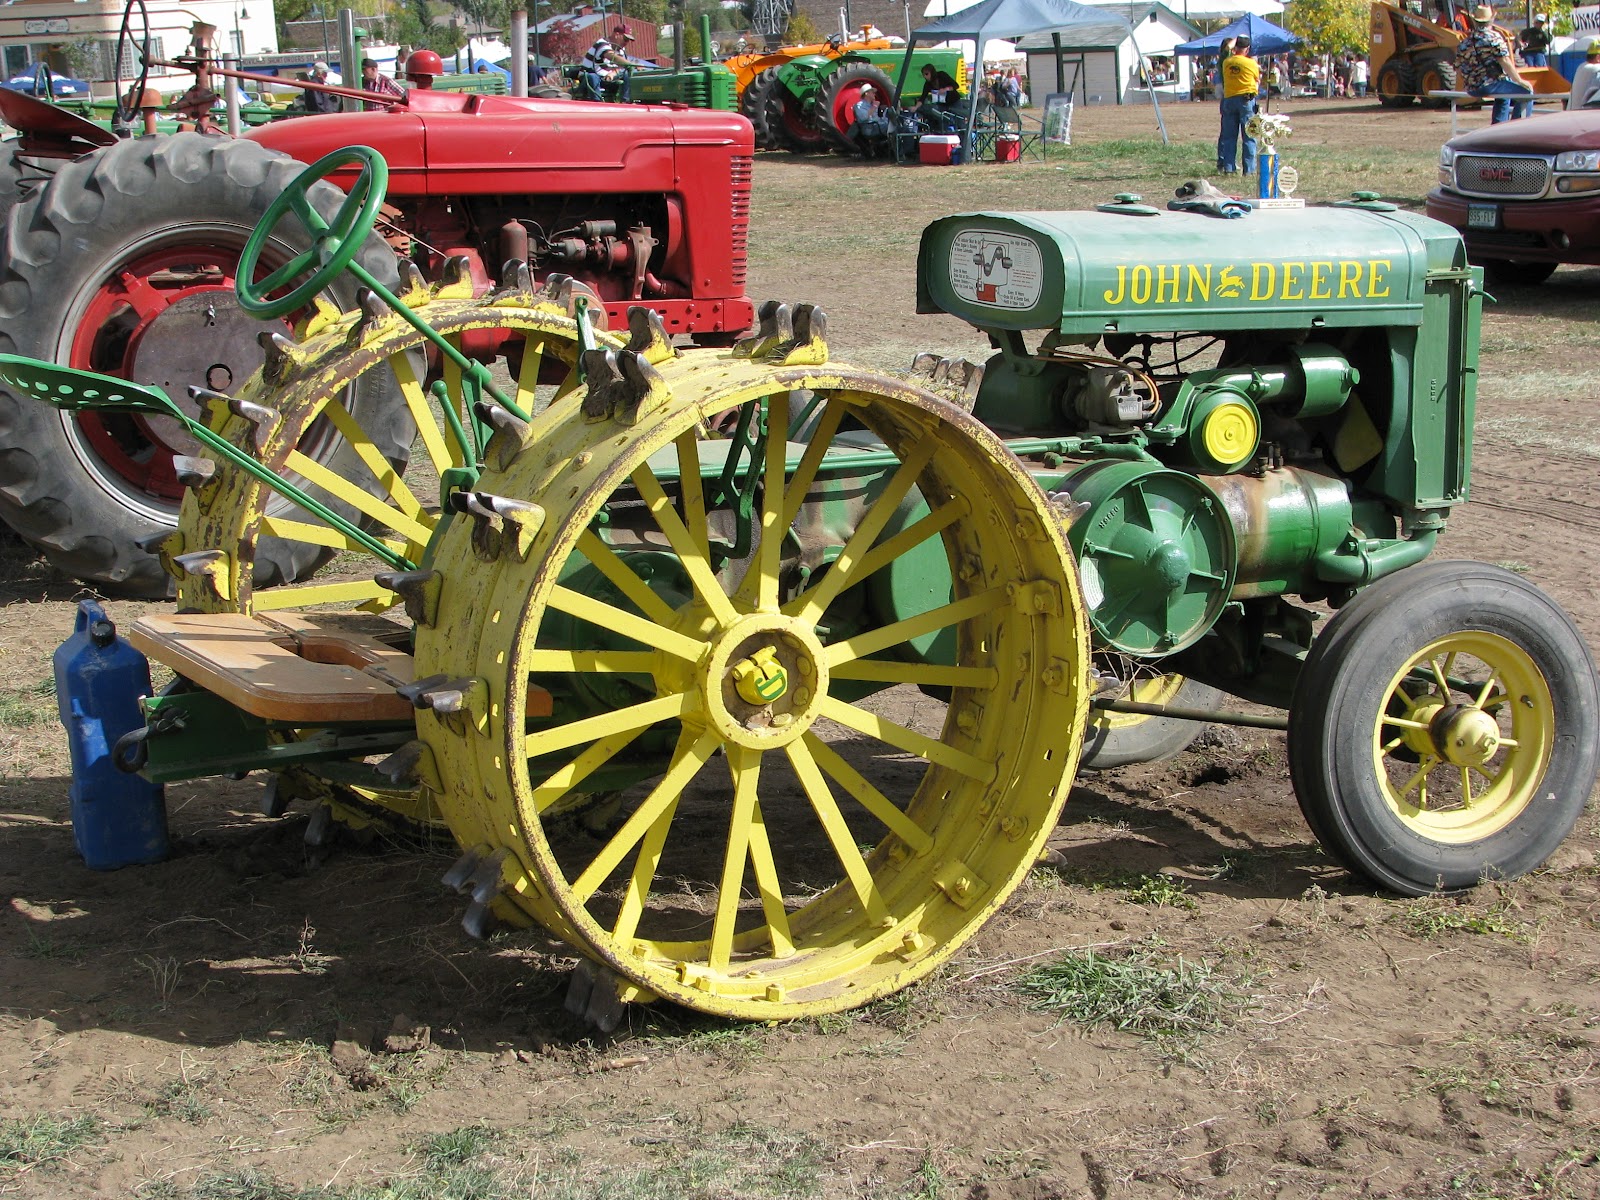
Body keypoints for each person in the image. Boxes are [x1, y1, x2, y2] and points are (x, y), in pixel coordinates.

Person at [1457, 5, 1533, 122]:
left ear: (1474, 21)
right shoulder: (1493, 37)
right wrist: (1519, 81)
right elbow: (1504, 61)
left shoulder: (1464, 42)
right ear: (1491, 19)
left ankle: (1498, 126)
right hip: (1490, 85)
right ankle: (1516, 126)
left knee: (1503, 95)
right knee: (1527, 93)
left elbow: (1458, 67)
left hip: (1471, 88)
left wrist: (1456, 91)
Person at [1216, 36, 1260, 175]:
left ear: (1235, 47)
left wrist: (1234, 40)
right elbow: (1257, 78)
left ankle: (1229, 168)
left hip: (1229, 99)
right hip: (1246, 100)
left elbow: (1225, 51)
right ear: (1247, 49)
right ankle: (1249, 169)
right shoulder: (1251, 63)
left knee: (1229, 136)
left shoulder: (1226, 62)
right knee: (1249, 135)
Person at [581, 25, 634, 101]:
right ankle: (597, 102)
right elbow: (612, 57)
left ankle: (625, 101)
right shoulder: (602, 44)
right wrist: (630, 65)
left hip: (605, 78)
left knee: (625, 74)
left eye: (629, 40)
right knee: (592, 77)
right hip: (588, 77)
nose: (627, 42)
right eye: (625, 39)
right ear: (617, 35)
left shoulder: (620, 49)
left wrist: (612, 74)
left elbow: (619, 67)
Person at [849, 83, 890, 157]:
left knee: (895, 124)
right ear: (866, 93)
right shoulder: (859, 106)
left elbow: (877, 118)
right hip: (869, 128)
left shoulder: (872, 104)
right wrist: (874, 107)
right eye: (872, 92)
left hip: (877, 125)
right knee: (893, 128)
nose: (874, 94)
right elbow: (863, 118)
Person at [1569, 41, 1600, 108]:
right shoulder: (1596, 69)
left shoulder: (1581, 67)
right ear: (1598, 58)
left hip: (1573, 111)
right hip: (1584, 112)